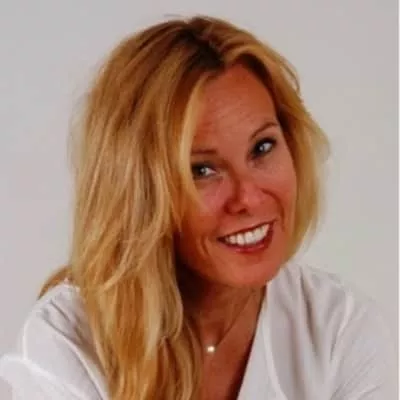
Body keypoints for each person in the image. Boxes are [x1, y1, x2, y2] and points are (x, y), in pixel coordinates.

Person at [0, 15, 396, 400]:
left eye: (262, 148)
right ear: (140, 194)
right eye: (202, 170)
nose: (249, 197)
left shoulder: (338, 330)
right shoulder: (67, 345)